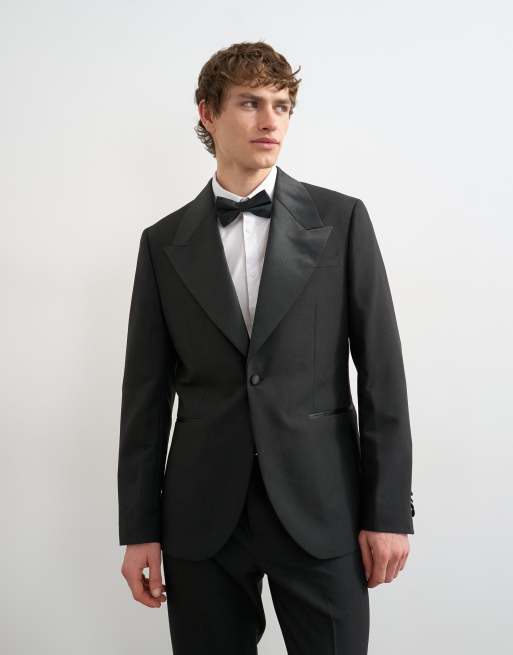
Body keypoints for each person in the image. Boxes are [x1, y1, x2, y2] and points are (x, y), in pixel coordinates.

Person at [117, 40, 415, 655]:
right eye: (250, 103)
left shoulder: (342, 221)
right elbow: (143, 398)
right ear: (208, 113)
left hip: (322, 506)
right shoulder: (162, 243)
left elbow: (382, 374)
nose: (270, 121)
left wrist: (387, 511)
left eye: (282, 106)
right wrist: (139, 528)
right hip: (203, 517)